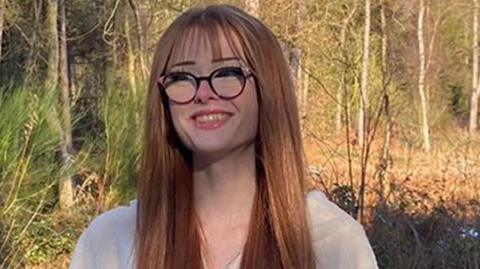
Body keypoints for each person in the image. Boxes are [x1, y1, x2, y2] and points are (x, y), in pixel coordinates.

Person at [69, 4, 378, 269]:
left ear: (268, 89)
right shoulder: (111, 243)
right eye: (181, 77)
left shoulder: (332, 243)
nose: (203, 93)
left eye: (228, 73)